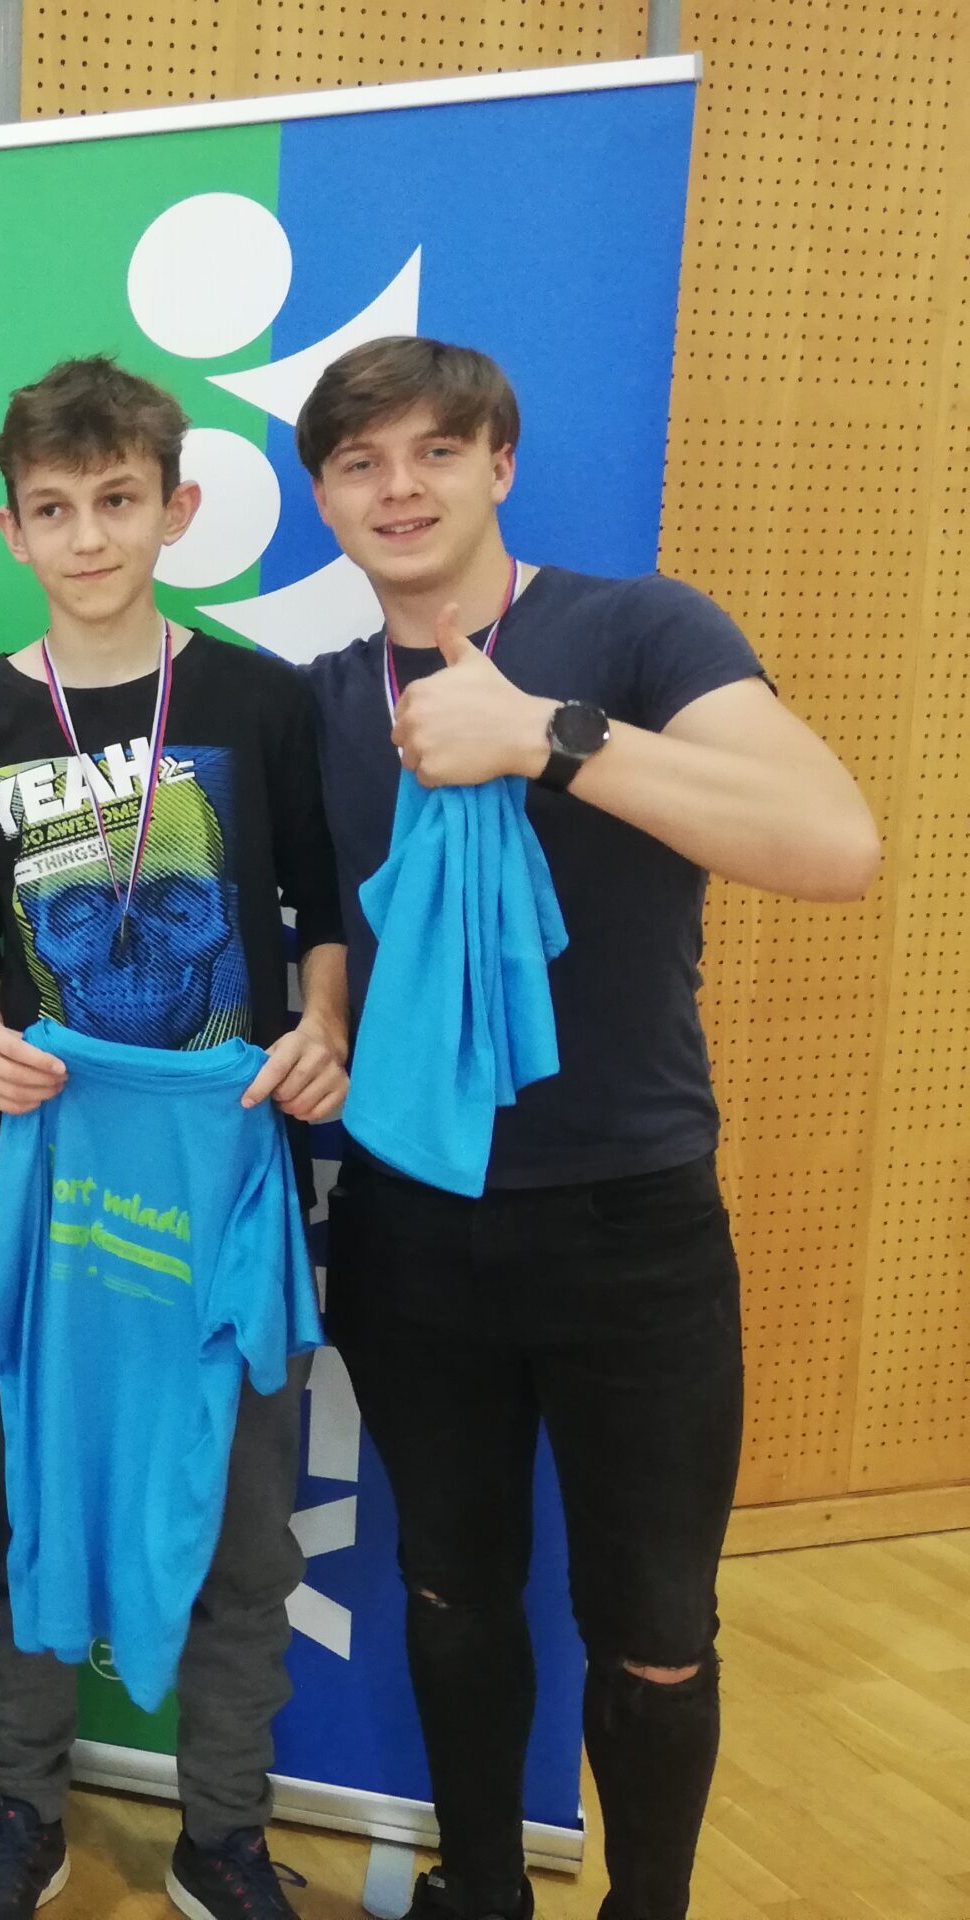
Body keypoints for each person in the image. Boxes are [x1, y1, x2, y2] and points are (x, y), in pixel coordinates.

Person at [296, 336, 879, 1920]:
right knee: (451, 1588)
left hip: (631, 1224)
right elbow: (321, 914)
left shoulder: (639, 631)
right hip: (412, 1222)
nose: (399, 488)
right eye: (359, 463)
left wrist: (551, 738)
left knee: (656, 1630)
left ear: (500, 462)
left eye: (436, 450)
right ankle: (481, 1892)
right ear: (324, 500)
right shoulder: (330, 699)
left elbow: (835, 844)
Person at [0, 357, 348, 1920]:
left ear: (178, 506)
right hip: (49, 1184)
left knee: (244, 1531)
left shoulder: (260, 703)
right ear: (12, 528)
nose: (87, 536)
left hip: (226, 1171)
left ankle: (222, 1834)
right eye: (53, 508)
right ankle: (24, 1813)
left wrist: (323, 1024)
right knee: (40, 1507)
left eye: (116, 501)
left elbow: (322, 907)